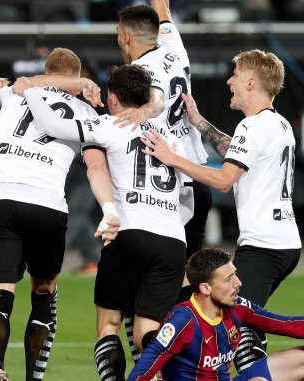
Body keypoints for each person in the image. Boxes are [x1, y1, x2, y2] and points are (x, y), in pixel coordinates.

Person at [0, 48, 118, 381]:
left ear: (47, 71)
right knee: (44, 294)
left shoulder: (12, 90)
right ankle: (34, 377)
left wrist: (33, 82)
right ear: (76, 78)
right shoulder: (86, 112)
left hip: (1, 201)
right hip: (48, 206)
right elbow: (95, 165)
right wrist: (109, 209)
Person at [13, 64, 191, 381]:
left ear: (114, 97)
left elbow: (53, 125)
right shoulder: (172, 140)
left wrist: (29, 88)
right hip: (173, 241)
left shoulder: (109, 125)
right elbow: (190, 190)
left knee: (109, 324)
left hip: (130, 231)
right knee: (147, 330)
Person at [141, 49, 301, 370]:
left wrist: (173, 158)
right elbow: (234, 152)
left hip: (263, 247)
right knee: (207, 304)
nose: (230, 82)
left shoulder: (252, 126)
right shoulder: (278, 124)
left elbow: (225, 179)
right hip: (283, 243)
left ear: (251, 82)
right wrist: (198, 122)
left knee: (228, 323)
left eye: (236, 76)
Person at [114, 2, 213, 361]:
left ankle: (156, 361)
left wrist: (142, 110)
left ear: (125, 36)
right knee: (188, 283)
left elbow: (154, 99)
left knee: (147, 288)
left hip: (169, 190)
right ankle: (197, 359)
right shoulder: (173, 46)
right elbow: (165, 11)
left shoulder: (138, 71)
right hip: (196, 178)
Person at [128, 247, 304, 381]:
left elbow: (289, 325)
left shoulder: (237, 307)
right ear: (205, 288)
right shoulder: (183, 320)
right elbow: (144, 369)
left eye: (235, 274)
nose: (238, 283)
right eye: (229, 279)